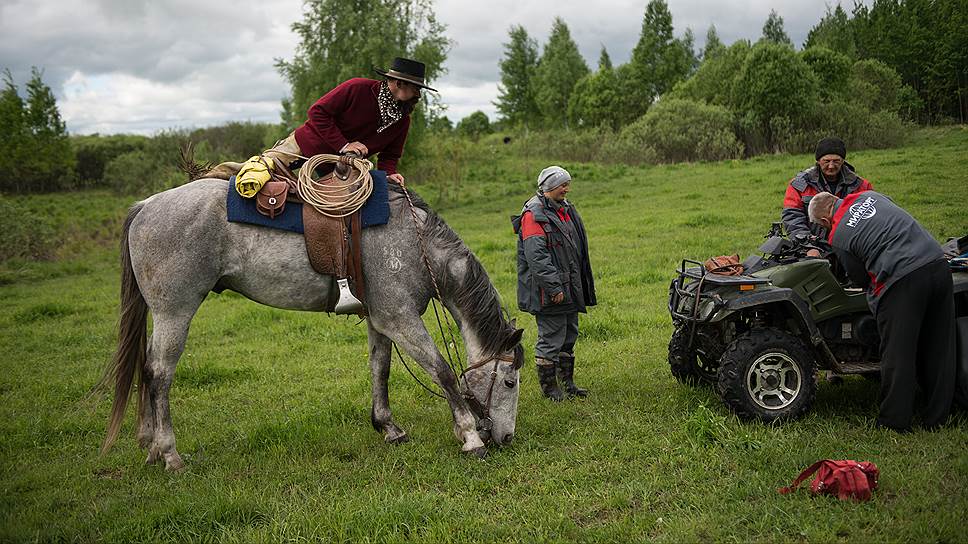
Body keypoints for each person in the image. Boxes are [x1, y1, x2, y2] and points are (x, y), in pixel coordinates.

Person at [808, 191, 955, 431]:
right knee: (940, 346)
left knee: (898, 353)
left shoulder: (838, 234)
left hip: (902, 279)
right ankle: (938, 418)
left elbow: (859, 276)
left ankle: (894, 421)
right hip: (937, 263)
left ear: (824, 221)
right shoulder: (869, 195)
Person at [206, 57, 436, 185]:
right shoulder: (357, 88)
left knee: (352, 207)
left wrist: (389, 174)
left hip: (341, 167)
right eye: (416, 88)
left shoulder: (402, 120)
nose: (418, 94)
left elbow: (390, 156)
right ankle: (208, 179)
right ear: (398, 84)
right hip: (305, 145)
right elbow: (317, 112)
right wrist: (345, 145)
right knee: (257, 171)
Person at [512, 166, 597, 401]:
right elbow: (536, 256)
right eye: (563, 184)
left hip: (570, 286)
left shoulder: (565, 209)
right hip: (549, 291)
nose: (567, 189)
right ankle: (550, 390)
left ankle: (567, 382)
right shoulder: (533, 214)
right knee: (551, 338)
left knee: (569, 334)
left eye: (567, 184)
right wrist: (554, 287)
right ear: (549, 187)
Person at [782, 137, 873, 255]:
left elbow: (871, 219)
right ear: (818, 161)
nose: (831, 166)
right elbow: (792, 218)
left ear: (843, 161)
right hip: (813, 248)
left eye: (836, 161)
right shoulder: (799, 185)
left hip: (851, 248)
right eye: (826, 161)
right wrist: (808, 246)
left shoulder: (861, 185)